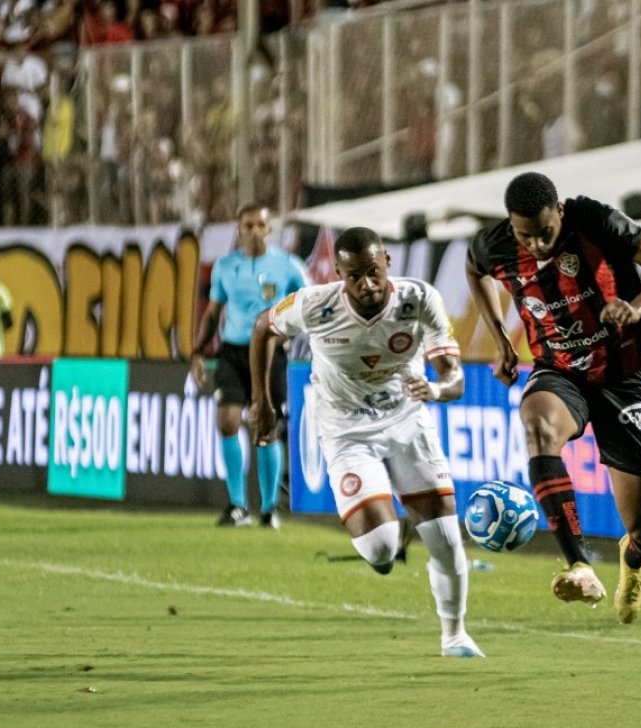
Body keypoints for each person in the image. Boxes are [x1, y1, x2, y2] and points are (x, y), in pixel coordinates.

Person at [248, 227, 482, 658]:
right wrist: (261, 401)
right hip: (345, 431)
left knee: (447, 539)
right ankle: (388, 527)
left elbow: (454, 375)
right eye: (354, 276)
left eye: (373, 272)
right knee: (380, 549)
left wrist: (438, 389)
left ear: (387, 262)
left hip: (408, 424)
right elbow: (264, 328)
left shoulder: (419, 299)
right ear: (339, 273)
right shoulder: (315, 305)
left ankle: (454, 635)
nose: (366, 284)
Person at [465, 172, 641, 624]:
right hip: (559, 370)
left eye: (545, 232)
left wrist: (636, 306)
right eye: (526, 235)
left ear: (560, 212)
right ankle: (578, 562)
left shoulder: (595, 220)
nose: (538, 244)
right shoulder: (497, 244)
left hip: (622, 376)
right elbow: (475, 269)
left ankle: (634, 558)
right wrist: (502, 342)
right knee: (537, 427)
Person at [190, 203, 307, 529]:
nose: (254, 231)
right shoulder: (225, 267)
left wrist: (287, 333)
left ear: (269, 229)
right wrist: (199, 351)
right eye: (248, 225)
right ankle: (238, 505)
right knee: (227, 420)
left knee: (265, 427)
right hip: (232, 350)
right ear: (239, 229)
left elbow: (308, 306)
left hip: (270, 352)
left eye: (260, 225)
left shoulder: (288, 266)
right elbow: (213, 312)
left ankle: (269, 508)